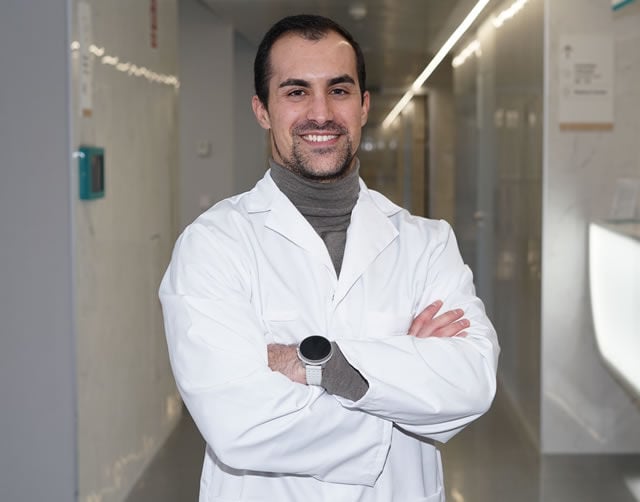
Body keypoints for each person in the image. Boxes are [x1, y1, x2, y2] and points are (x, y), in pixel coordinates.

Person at [159, 14, 499, 502]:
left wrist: (317, 363)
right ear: (262, 110)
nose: (321, 113)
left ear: (363, 106)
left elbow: (471, 383)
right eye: (296, 92)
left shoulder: (427, 243)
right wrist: (402, 387)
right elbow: (238, 423)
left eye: (339, 90)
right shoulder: (213, 244)